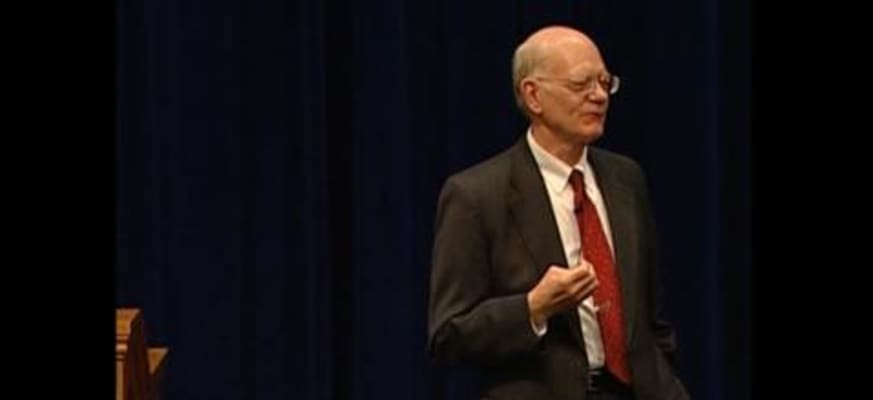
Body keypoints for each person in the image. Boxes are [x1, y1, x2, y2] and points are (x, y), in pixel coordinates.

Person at [427, 25, 690, 400]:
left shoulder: (626, 179)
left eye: (605, 82)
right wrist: (532, 308)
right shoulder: (476, 196)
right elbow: (448, 335)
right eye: (581, 84)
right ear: (533, 95)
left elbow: (650, 318)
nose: (599, 96)